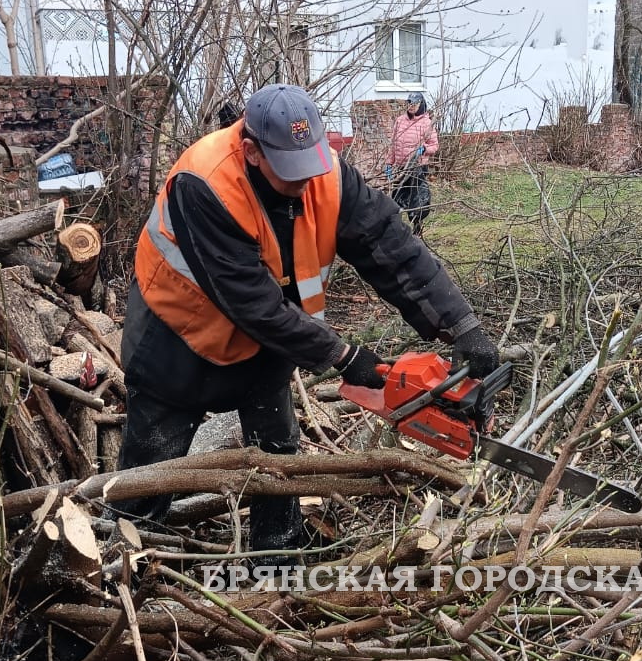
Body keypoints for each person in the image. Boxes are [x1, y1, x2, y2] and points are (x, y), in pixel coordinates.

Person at [118, 84, 499, 566]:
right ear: (253, 152)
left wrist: (460, 324)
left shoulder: (328, 177)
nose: (305, 180)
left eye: (310, 165)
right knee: (150, 471)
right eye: (290, 171)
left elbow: (391, 246)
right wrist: (341, 357)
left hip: (271, 341)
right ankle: (116, 570)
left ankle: (275, 556)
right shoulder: (206, 181)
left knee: (278, 452)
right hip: (177, 337)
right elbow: (251, 302)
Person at [385, 91, 439, 236]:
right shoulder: (400, 121)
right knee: (396, 199)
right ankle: (395, 230)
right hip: (400, 168)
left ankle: (416, 228)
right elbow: (393, 144)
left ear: (421, 105)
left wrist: (424, 149)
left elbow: (434, 145)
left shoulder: (426, 123)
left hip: (417, 168)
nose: (411, 107)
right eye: (409, 104)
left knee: (417, 201)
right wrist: (389, 163)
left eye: (414, 104)